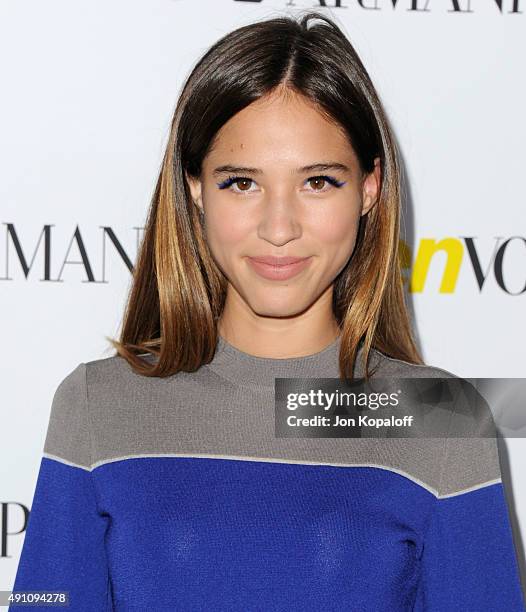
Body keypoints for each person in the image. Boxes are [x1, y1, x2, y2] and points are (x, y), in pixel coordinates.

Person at [10, 11, 525, 611]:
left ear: (369, 188)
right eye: (241, 183)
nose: (279, 228)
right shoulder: (98, 404)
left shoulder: (439, 419)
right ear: (195, 188)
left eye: (318, 182)